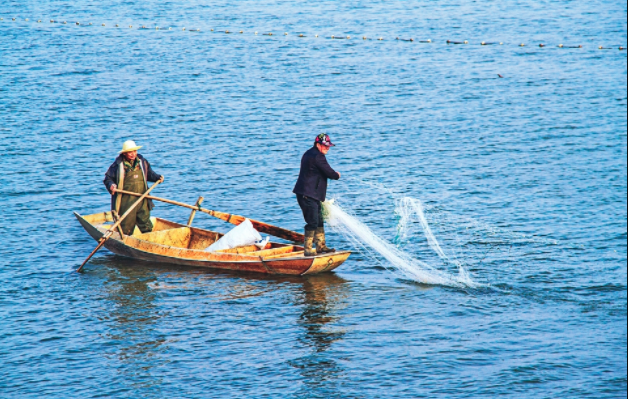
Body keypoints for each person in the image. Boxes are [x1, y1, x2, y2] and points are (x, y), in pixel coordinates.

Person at [293, 134, 341, 256]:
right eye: (325, 146)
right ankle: (308, 250)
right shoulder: (318, 157)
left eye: (329, 146)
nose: (327, 148)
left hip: (310, 194)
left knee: (319, 220)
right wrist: (336, 175)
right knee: (312, 222)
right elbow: (329, 172)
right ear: (318, 145)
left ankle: (321, 246)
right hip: (307, 195)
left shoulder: (308, 153)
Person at [103, 140, 164, 235]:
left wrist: (157, 177)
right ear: (124, 153)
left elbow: (149, 174)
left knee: (146, 224)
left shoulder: (142, 162)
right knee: (126, 228)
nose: (133, 154)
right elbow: (108, 178)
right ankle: (126, 244)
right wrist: (111, 185)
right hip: (126, 203)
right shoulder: (117, 165)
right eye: (130, 152)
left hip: (142, 199)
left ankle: (148, 243)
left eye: (134, 151)